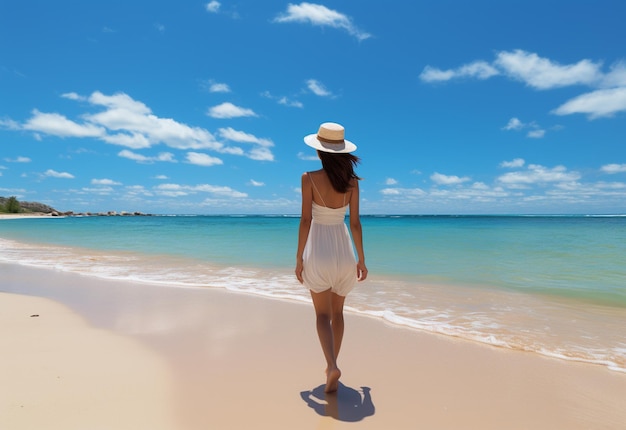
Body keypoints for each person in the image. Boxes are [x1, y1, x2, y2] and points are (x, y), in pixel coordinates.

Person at [295, 122, 368, 393]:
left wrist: (299, 258)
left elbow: (305, 220)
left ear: (319, 152)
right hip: (344, 251)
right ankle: (332, 365)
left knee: (321, 314)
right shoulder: (352, 183)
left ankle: (331, 365)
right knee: (337, 313)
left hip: (319, 250)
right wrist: (361, 259)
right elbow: (356, 224)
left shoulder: (308, 178)